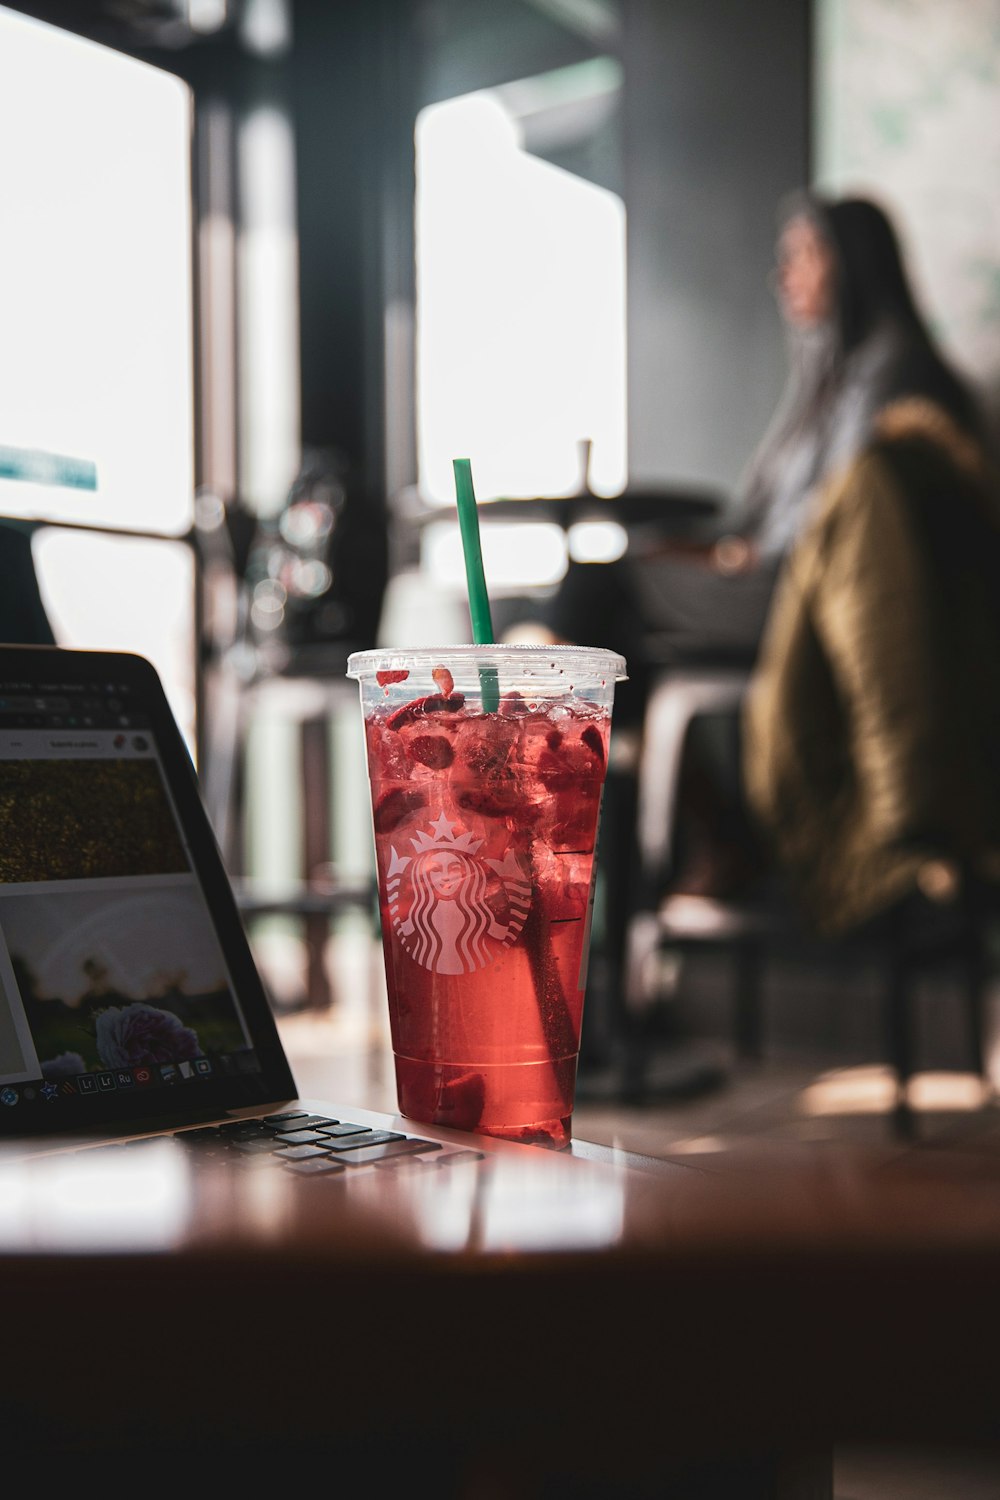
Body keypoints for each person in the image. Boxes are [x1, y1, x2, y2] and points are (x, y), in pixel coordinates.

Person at [742, 394, 1000, 938]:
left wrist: (920, 840)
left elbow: (892, 673)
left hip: (874, 835)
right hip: (929, 824)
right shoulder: (953, 503)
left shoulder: (871, 486)